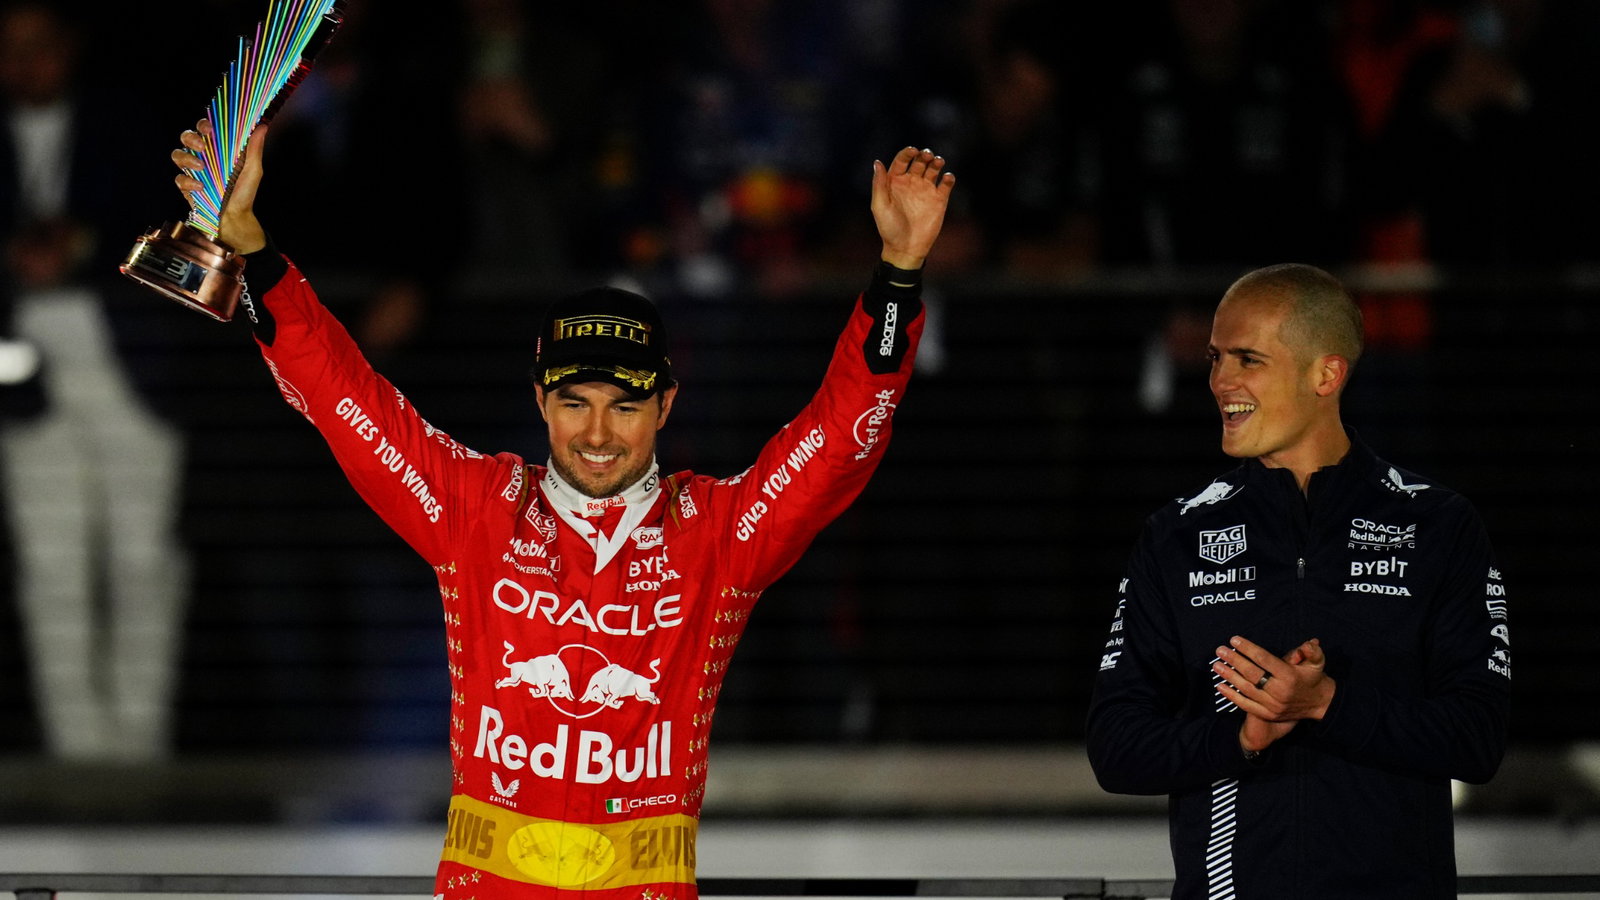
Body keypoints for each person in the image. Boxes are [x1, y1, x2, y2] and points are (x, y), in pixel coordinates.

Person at [171, 117, 952, 894]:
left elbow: (842, 437)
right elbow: (341, 395)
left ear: (666, 406)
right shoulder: (476, 510)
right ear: (541, 402)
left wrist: (899, 272)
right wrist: (249, 243)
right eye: (575, 402)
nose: (598, 432)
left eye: (625, 405)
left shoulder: (715, 533)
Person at [1086, 263, 1510, 899]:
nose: (1220, 381)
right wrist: (1241, 738)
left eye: (1248, 359)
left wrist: (1325, 704)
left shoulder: (1439, 524)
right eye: (1215, 358)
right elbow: (1115, 746)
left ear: (1326, 374)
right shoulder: (1173, 536)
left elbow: (1478, 740)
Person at [1, 0, 191, 760]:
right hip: (18, 361)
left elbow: (175, 220)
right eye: (9, 49)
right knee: (51, 566)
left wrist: (78, 244)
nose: (24, 63)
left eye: (39, 46)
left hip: (127, 358)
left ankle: (138, 757)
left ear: (70, 46)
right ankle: (81, 763)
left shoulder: (127, 122)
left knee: (143, 562)